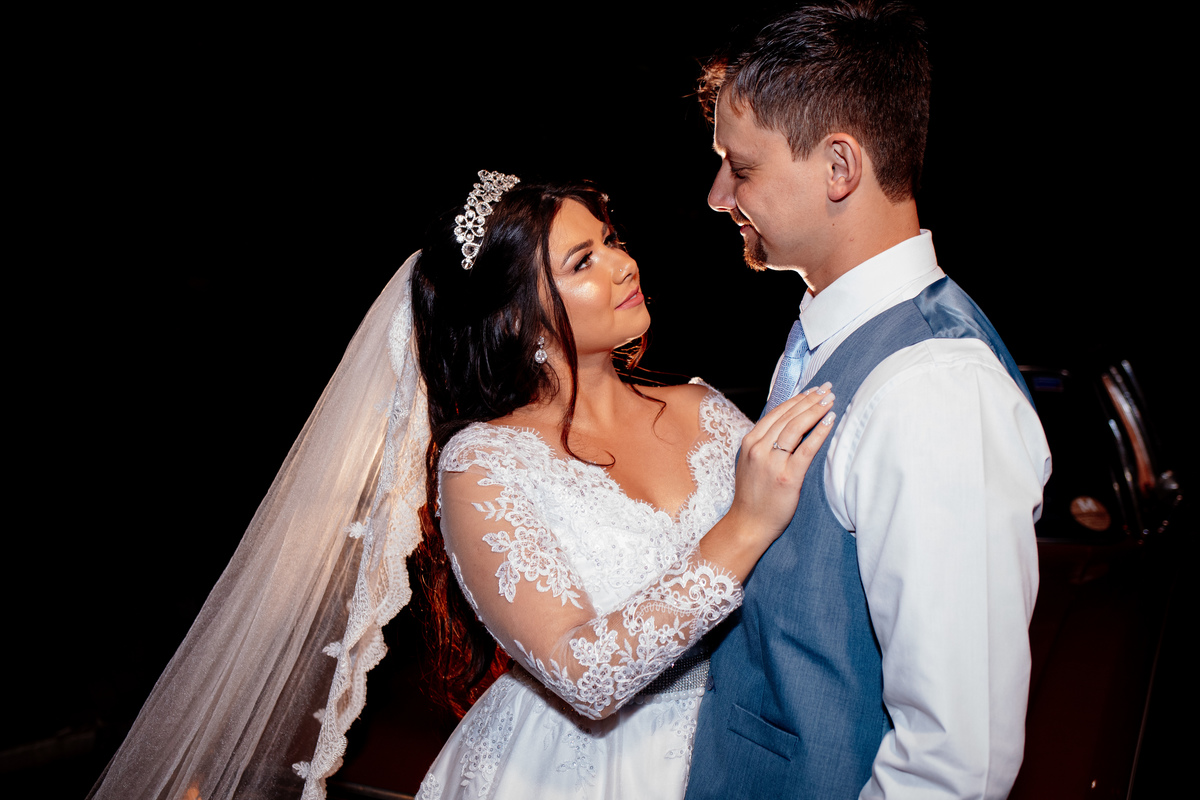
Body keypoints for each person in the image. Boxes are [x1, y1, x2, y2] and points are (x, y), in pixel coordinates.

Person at [87, 171, 836, 800]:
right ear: (518, 319)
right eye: (582, 262)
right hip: (583, 772)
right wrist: (741, 527)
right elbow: (587, 675)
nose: (622, 264)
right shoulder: (485, 464)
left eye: (611, 241)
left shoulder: (706, 410)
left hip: (752, 740)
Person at [684, 3, 1053, 799]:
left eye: (739, 167)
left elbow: (957, 764)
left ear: (839, 168)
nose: (718, 195)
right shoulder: (837, 335)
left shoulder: (933, 392)